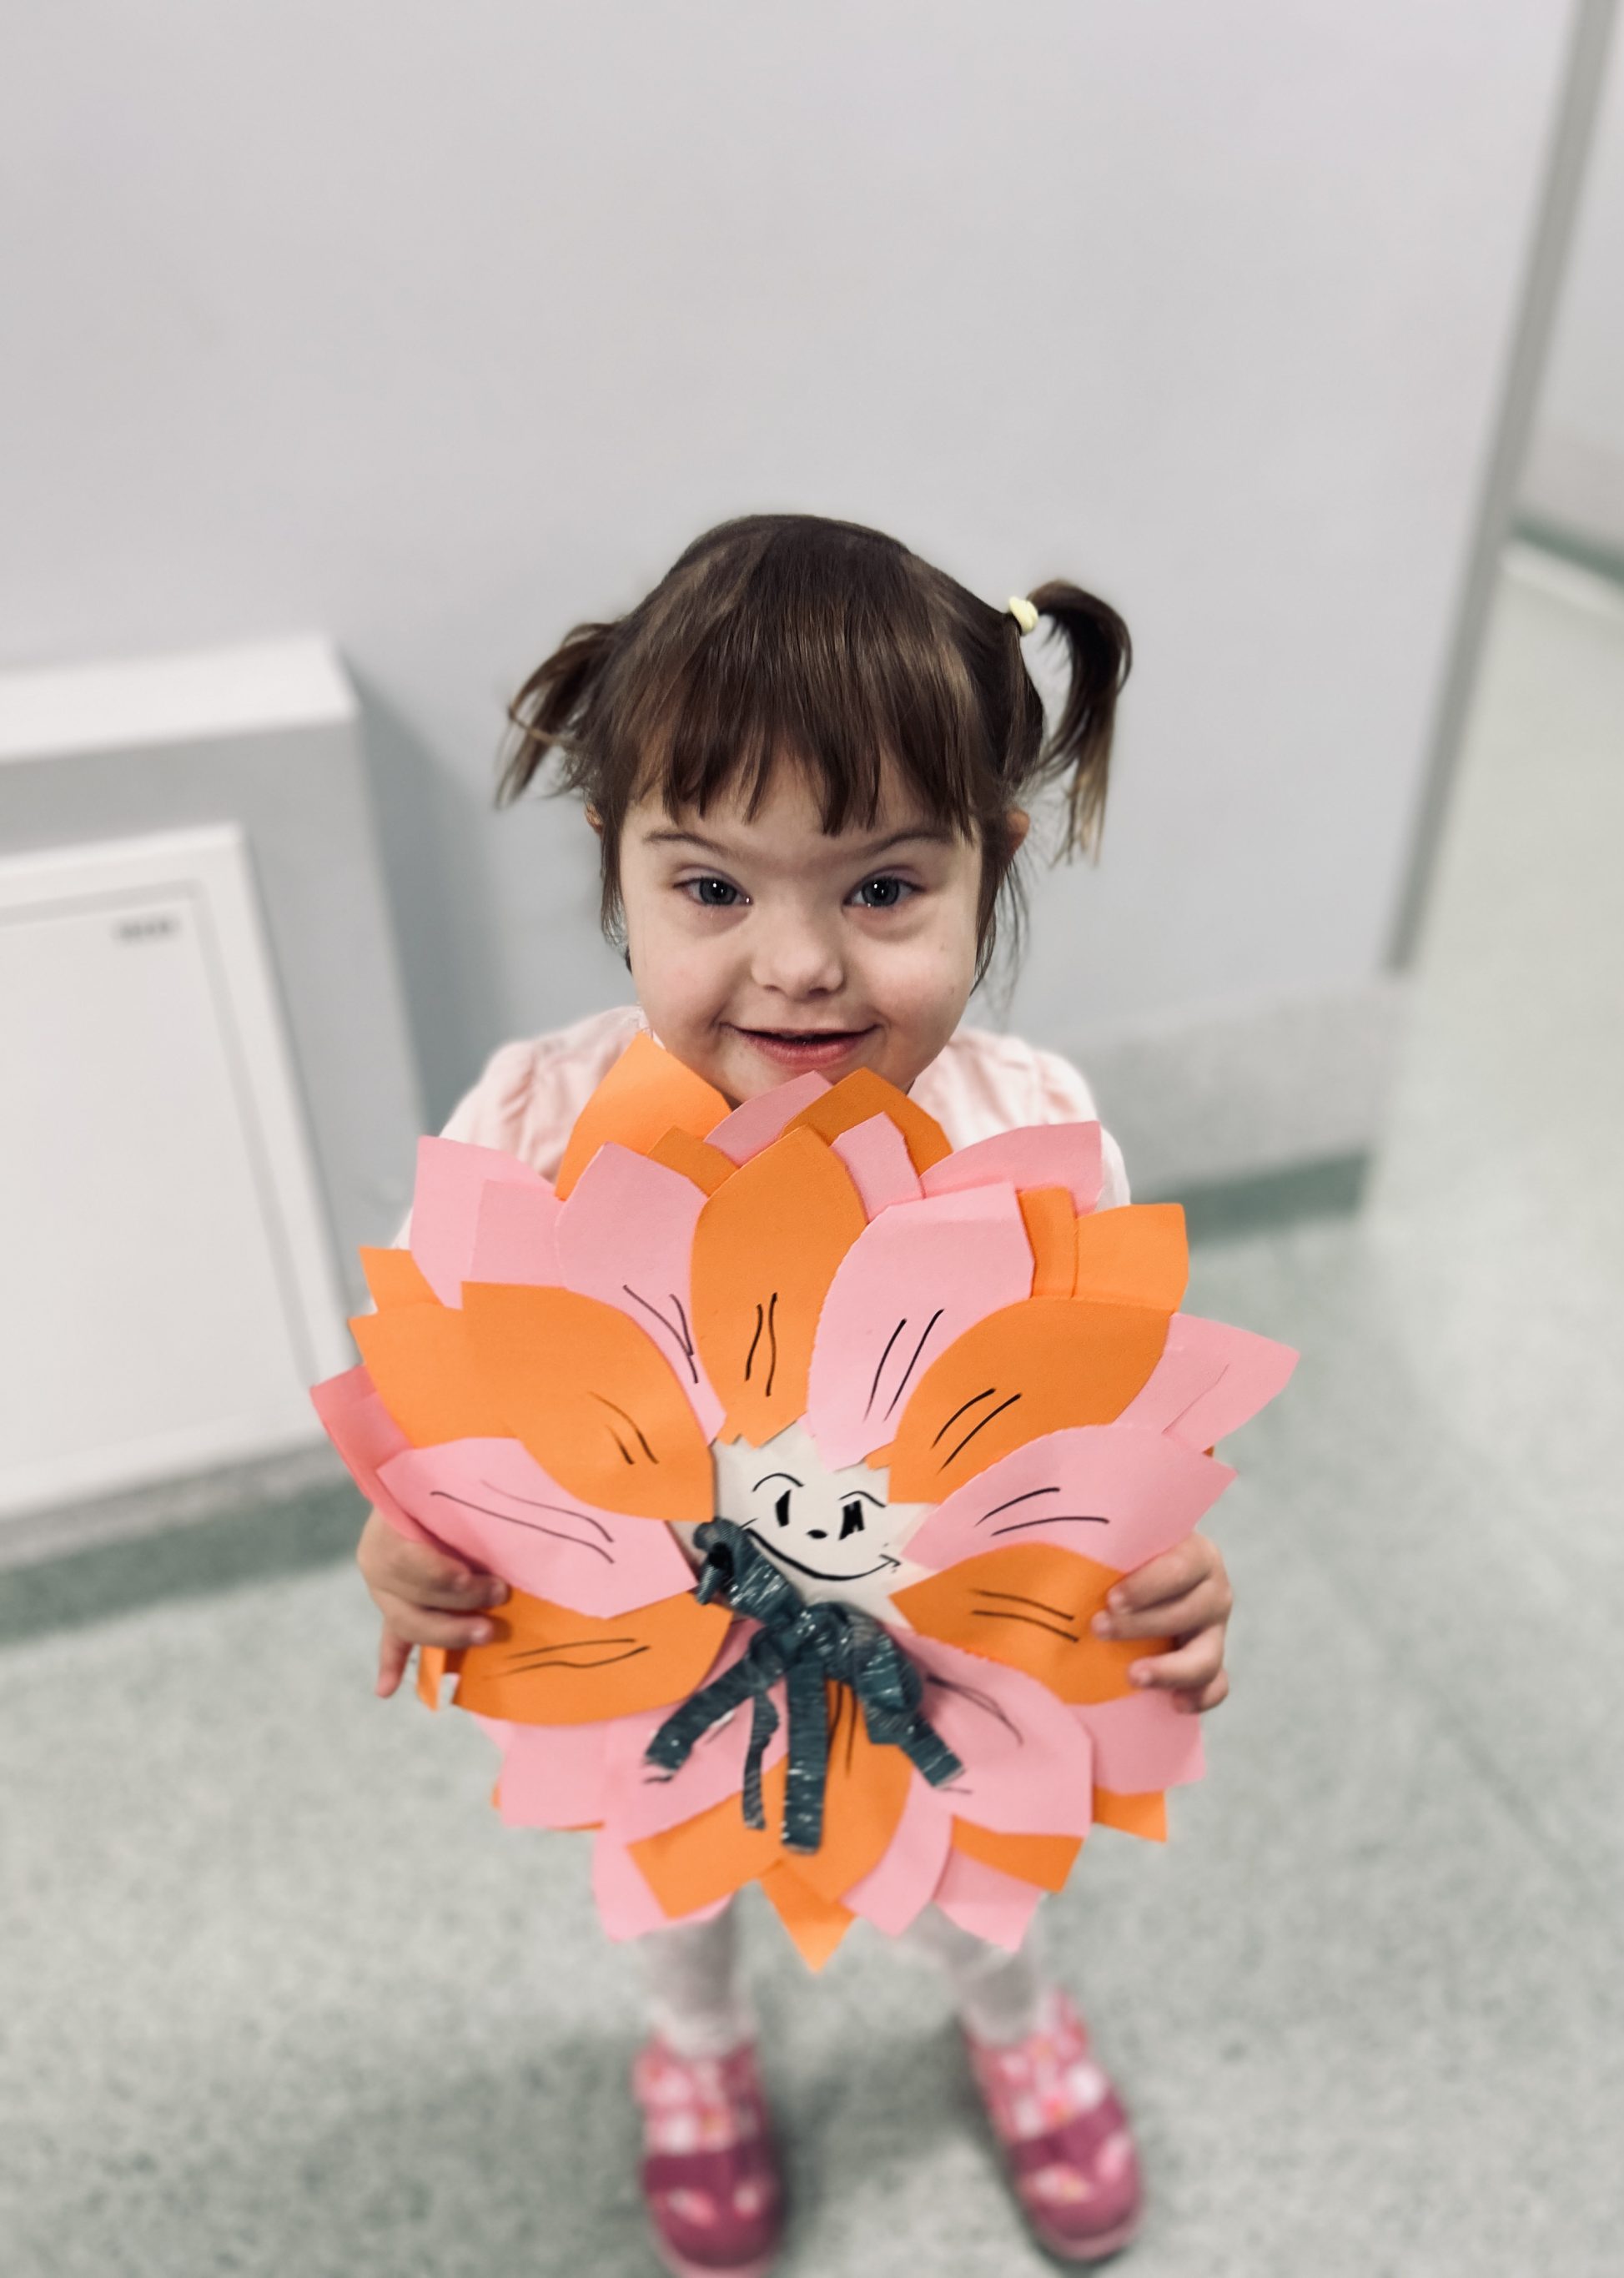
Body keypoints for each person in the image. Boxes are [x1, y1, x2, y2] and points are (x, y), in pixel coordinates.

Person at [355, 514, 1234, 2274]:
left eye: (882, 889)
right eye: (712, 889)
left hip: (935, 1650)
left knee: (976, 1869)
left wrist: (1167, 1572)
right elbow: (447, 1412)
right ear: (616, 864)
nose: (801, 964)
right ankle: (695, 2049)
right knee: (667, 1872)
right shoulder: (527, 1129)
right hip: (646, 1652)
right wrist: (401, 1540)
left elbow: (1102, 1437)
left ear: (988, 862)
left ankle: (1012, 2025)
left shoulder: (1031, 1137)